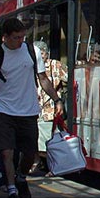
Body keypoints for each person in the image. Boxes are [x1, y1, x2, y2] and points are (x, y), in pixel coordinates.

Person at [0, 18, 64, 198]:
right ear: (5, 37)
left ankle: (21, 176)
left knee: (30, 153)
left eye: (23, 37)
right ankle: (12, 190)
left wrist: (57, 100)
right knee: (7, 152)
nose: (20, 41)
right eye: (16, 38)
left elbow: (43, 79)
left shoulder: (32, 52)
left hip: (29, 111)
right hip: (3, 111)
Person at [32, 40, 67, 174]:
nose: (39, 56)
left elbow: (70, 78)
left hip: (49, 110)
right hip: (34, 109)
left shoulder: (55, 65)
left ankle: (52, 167)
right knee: (36, 141)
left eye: (41, 53)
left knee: (47, 142)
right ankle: (40, 163)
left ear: (46, 53)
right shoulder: (31, 66)